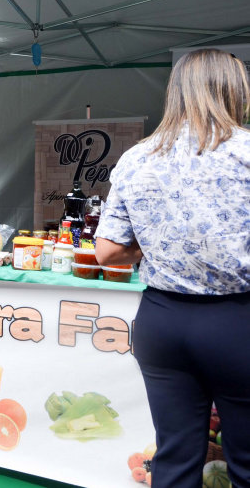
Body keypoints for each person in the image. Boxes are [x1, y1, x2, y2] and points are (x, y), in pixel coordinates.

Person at [95, 48, 250, 488]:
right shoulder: (246, 151)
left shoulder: (137, 157)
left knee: (175, 457)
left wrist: (162, 249)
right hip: (237, 322)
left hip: (162, 324)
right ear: (235, 90)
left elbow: (106, 252)